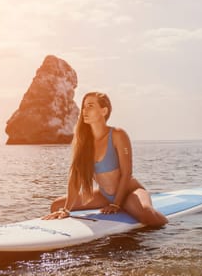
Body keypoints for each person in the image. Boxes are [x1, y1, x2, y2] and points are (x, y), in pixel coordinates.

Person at [42, 92, 168, 227]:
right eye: (84, 106)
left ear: (104, 111)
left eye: (90, 106)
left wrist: (116, 204)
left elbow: (127, 173)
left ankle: (167, 224)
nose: (85, 110)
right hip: (104, 195)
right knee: (56, 205)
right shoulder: (83, 142)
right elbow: (75, 179)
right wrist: (66, 210)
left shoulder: (118, 135)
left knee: (148, 215)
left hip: (128, 192)